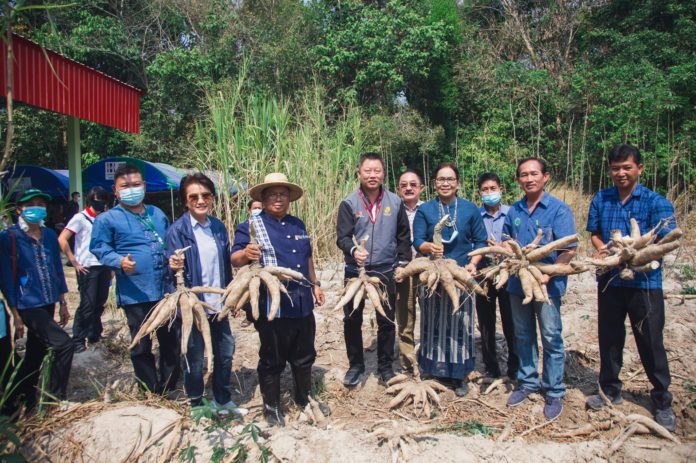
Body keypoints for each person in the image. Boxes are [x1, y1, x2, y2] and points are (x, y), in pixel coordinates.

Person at [584, 144, 677, 431]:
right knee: (609, 338)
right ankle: (609, 389)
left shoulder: (655, 202)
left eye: (627, 167)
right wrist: (604, 253)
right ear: (609, 169)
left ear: (639, 169)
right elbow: (596, 233)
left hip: (645, 282)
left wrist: (635, 254)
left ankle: (661, 399)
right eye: (615, 168)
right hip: (610, 280)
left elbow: (666, 241)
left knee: (650, 340)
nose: (621, 173)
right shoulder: (602, 198)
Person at [231, 172, 325, 427]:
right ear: (263, 197)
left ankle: (303, 398)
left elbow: (307, 258)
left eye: (283, 194)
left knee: (304, 354)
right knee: (272, 358)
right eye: (272, 194)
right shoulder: (251, 225)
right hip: (273, 304)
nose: (278, 198)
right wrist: (246, 253)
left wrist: (315, 284)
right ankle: (271, 406)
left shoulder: (298, 224)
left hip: (302, 300)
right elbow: (235, 258)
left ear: (289, 198)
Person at [90, 164, 180, 394]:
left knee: (170, 341)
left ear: (144, 186)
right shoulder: (108, 219)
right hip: (135, 292)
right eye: (125, 186)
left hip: (165, 290)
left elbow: (168, 244)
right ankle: (150, 390)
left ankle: (169, 387)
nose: (132, 189)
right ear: (116, 190)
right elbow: (99, 248)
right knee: (141, 344)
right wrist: (119, 261)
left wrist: (174, 260)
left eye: (136, 184)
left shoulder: (157, 214)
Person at [502, 158, 576, 421]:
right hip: (516, 284)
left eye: (534, 174)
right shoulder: (514, 211)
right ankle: (528, 382)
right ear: (518, 180)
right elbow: (506, 243)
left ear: (545, 176)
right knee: (522, 335)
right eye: (523, 175)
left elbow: (569, 248)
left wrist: (549, 273)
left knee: (551, 336)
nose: (529, 179)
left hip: (548, 286)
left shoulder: (559, 209)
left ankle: (554, 390)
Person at [167, 173, 243, 414]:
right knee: (195, 357)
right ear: (185, 201)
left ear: (212, 198)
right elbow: (169, 270)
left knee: (225, 352)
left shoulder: (217, 227)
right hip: (194, 306)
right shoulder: (177, 230)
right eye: (194, 197)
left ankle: (222, 398)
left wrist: (232, 297)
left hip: (218, 303)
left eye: (205, 195)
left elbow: (224, 265)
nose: (200, 200)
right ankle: (197, 403)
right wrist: (174, 266)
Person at [336, 152, 412, 387]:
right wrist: (353, 250)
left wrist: (402, 264)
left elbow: (403, 236)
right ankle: (356, 366)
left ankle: (385, 368)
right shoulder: (349, 203)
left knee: (387, 320)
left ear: (383, 174)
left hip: (385, 269)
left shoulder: (394, 202)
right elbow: (342, 237)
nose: (372, 175)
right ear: (359, 173)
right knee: (351, 319)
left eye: (377, 171)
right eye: (367, 171)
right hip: (355, 270)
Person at [412, 162, 487, 396]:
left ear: (457, 183)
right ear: (434, 184)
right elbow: (418, 240)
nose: (445, 183)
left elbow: (481, 242)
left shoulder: (470, 209)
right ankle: (434, 370)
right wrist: (430, 248)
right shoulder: (425, 210)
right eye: (441, 179)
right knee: (432, 321)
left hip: (462, 274)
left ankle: (459, 374)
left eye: (450, 179)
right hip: (432, 272)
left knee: (461, 322)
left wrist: (473, 265)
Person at [0, 188, 73, 411]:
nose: (37, 208)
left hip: (49, 299)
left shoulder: (49, 235)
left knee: (35, 353)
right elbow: (6, 276)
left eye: (41, 204)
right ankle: (54, 398)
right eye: (31, 204)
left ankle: (23, 397)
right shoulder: (9, 237)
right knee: (63, 344)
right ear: (19, 209)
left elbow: (56, 270)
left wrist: (62, 301)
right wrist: (15, 312)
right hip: (27, 304)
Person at [58, 187, 112, 353]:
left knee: (99, 302)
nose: (100, 203)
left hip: (103, 265)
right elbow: (63, 239)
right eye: (97, 199)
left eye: (103, 199)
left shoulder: (104, 218)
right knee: (87, 305)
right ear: (90, 200)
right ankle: (78, 339)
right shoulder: (80, 218)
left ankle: (94, 334)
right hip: (87, 267)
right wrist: (73, 261)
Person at [475, 172, 518, 379]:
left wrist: (505, 247)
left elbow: (520, 242)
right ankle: (491, 366)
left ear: (501, 190)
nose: (489, 193)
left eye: (493, 189)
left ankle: (515, 367)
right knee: (485, 323)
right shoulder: (476, 216)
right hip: (483, 274)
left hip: (508, 274)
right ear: (480, 193)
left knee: (512, 321)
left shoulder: (513, 213)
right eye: (485, 190)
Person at [394, 169, 424, 373]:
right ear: (398, 189)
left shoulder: (430, 209)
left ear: (421, 188)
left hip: (426, 270)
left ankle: (430, 360)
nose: (409, 188)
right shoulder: (393, 209)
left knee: (432, 316)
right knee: (405, 318)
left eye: (413, 184)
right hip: (402, 271)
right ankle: (407, 363)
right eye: (404, 185)